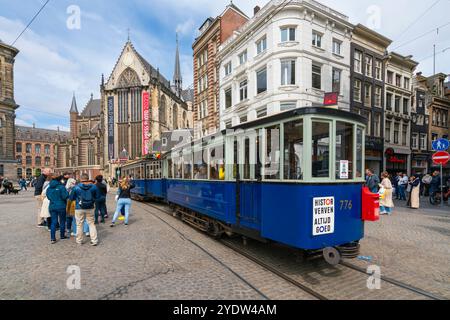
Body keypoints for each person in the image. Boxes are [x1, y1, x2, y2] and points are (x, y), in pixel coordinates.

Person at [70, 174, 100, 246]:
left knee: (79, 224)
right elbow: (97, 197)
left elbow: (71, 198)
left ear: (81, 179)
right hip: (90, 207)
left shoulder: (76, 187)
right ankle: (94, 240)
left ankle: (79, 240)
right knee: (91, 224)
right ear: (88, 179)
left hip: (79, 207)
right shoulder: (93, 187)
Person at [46, 174, 69, 244]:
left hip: (52, 206)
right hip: (61, 206)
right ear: (59, 180)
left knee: (53, 222)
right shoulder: (62, 187)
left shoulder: (49, 188)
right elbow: (65, 196)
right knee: (62, 221)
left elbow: (48, 197)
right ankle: (62, 235)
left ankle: (53, 238)